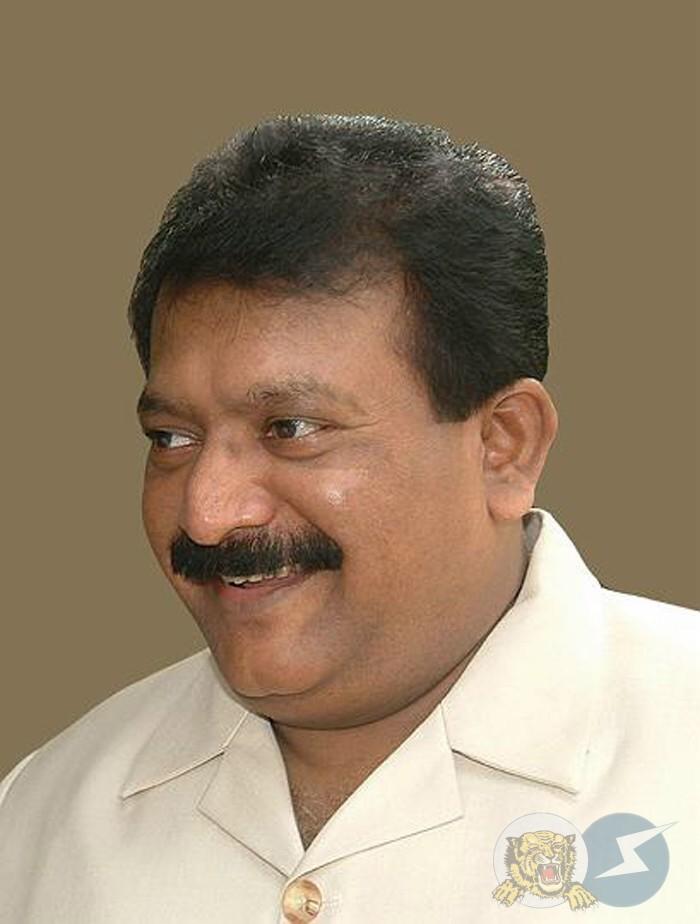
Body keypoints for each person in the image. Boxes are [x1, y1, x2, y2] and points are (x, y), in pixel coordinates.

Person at [1, 114, 697, 923]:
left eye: (290, 428)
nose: (208, 513)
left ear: (503, 446)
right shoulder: (42, 820)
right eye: (172, 438)